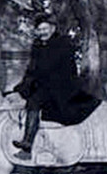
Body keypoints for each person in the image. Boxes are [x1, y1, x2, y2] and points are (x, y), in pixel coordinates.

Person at [11, 17, 100, 160]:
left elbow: (50, 69)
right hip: (44, 85)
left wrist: (32, 87)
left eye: (45, 29)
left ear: (52, 28)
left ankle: (27, 145)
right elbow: (32, 69)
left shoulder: (62, 44)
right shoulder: (38, 45)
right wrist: (21, 88)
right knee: (22, 98)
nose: (42, 33)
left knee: (34, 102)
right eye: (39, 30)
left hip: (62, 85)